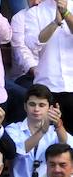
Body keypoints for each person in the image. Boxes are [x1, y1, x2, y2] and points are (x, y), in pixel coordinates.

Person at [5, 85, 72, 177]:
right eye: (32, 104)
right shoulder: (13, 129)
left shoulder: (55, 132)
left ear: (50, 108)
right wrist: (42, 130)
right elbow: (20, 150)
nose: (36, 109)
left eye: (42, 105)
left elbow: (68, 146)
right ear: (25, 106)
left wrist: (58, 125)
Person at [24, 0, 73, 132]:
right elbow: (32, 44)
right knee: (46, 139)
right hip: (47, 87)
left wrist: (66, 13)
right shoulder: (35, 12)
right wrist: (55, 23)